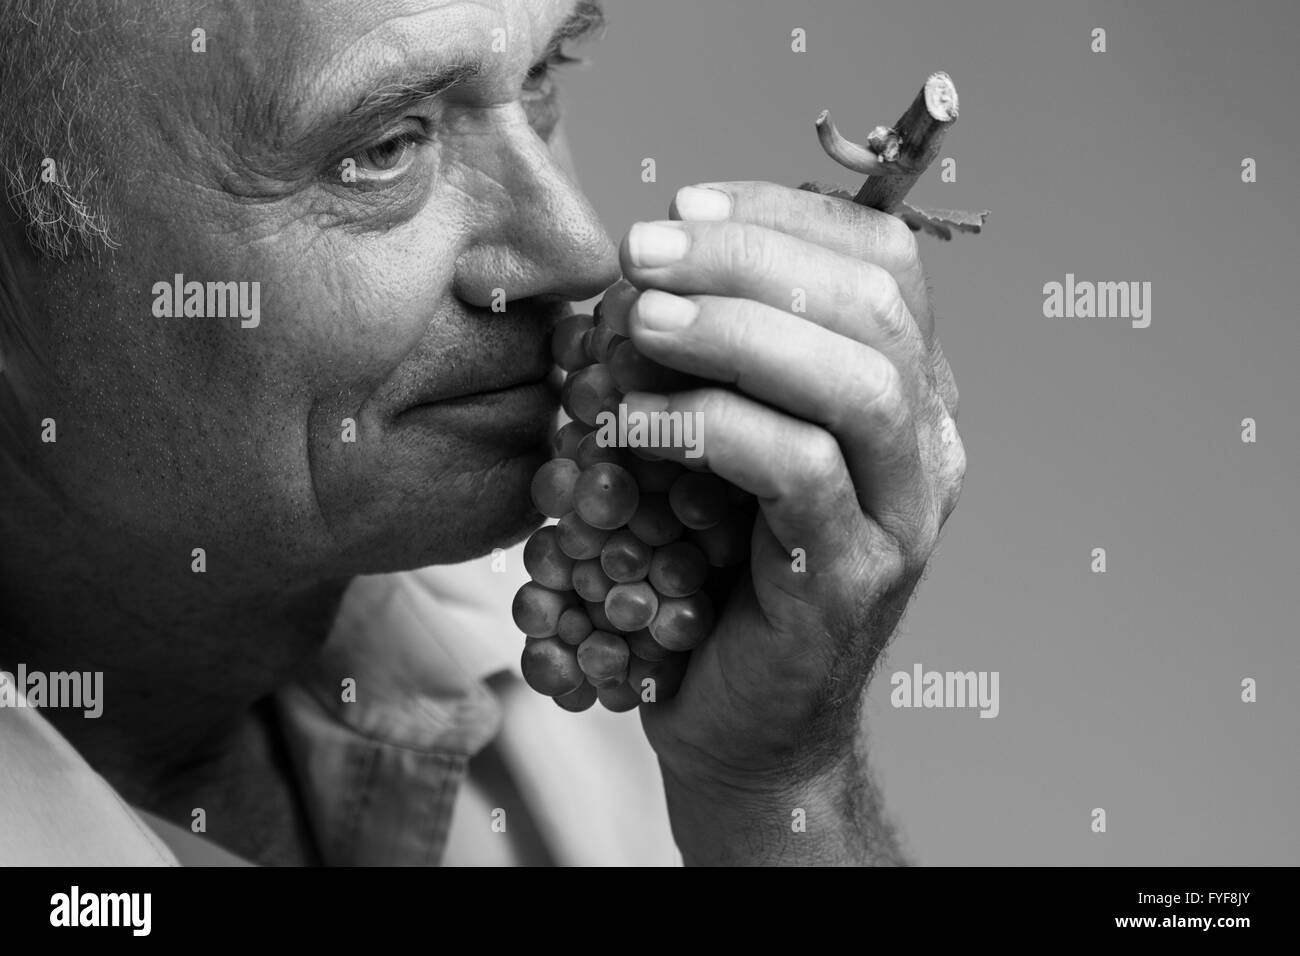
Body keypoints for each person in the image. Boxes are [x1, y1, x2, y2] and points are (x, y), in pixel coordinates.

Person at [0, 0, 965, 866]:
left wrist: (781, 796)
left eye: (540, 80)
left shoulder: (614, 629)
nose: (577, 247)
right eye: (381, 149)